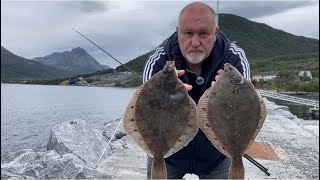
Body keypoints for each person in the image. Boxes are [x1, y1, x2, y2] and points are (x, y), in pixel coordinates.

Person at [142, 1, 251, 179]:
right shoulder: (159, 61)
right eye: (188, 33)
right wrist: (164, 94)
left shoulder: (233, 58)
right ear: (178, 32)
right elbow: (144, 109)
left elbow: (248, 104)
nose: (195, 42)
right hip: (168, 156)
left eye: (203, 33)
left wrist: (226, 97)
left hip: (216, 156)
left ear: (215, 33)